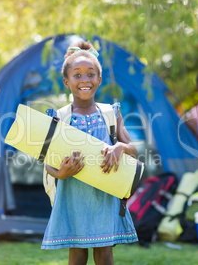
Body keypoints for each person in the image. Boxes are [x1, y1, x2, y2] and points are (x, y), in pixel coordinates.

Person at [41, 41, 138, 264]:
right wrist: (60, 174)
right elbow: (48, 162)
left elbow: (133, 150)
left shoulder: (111, 113)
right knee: (77, 253)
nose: (85, 80)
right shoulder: (60, 117)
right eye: (77, 75)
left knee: (104, 251)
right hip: (73, 194)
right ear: (66, 81)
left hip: (104, 194)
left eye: (91, 74)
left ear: (99, 79)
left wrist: (120, 147)